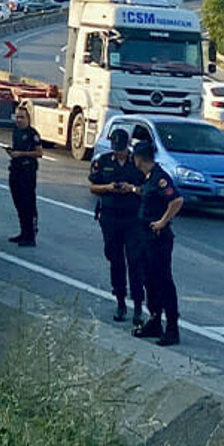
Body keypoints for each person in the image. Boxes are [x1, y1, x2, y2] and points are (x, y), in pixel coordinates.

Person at [130, 140, 184, 347]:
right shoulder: (149, 178)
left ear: (139, 159)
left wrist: (163, 221)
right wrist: (134, 190)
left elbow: (176, 201)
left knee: (163, 282)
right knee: (148, 280)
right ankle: (154, 320)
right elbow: (147, 194)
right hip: (144, 237)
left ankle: (172, 327)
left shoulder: (161, 178)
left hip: (158, 238)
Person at [88, 129, 146, 323]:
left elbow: (148, 189)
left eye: (121, 149)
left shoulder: (137, 163)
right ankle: (120, 302)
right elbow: (93, 186)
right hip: (110, 218)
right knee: (116, 261)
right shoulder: (103, 161)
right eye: (116, 149)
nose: (118, 153)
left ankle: (138, 306)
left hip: (133, 219)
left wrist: (132, 189)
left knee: (135, 262)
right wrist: (109, 187)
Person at [5, 105, 43, 247]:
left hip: (27, 172)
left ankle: (30, 235)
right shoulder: (16, 131)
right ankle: (23, 232)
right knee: (18, 203)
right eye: (17, 117)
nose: (19, 120)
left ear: (28, 118)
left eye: (22, 117)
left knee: (28, 204)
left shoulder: (32, 133)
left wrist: (21, 154)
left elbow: (39, 153)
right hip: (15, 170)